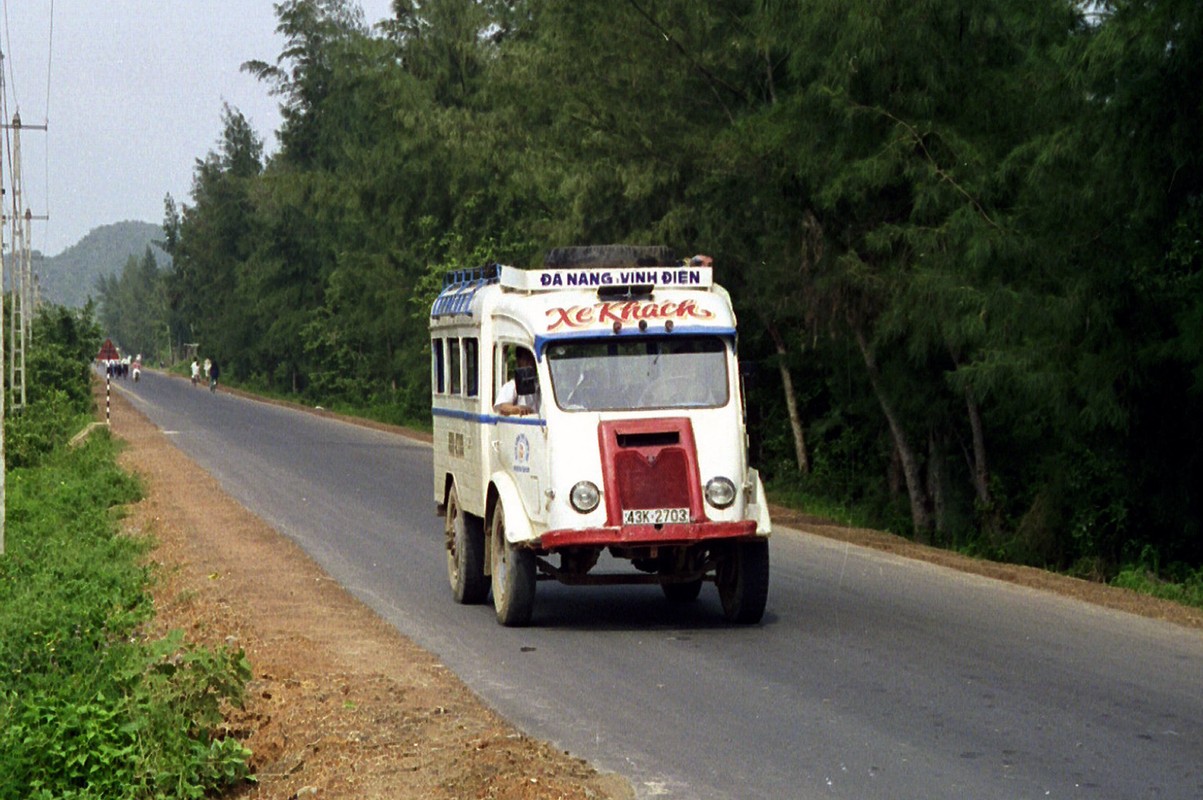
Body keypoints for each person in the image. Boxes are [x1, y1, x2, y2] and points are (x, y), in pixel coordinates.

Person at [494, 347, 540, 416]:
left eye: (532, 359)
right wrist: (518, 409)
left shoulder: (541, 384)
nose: (530, 363)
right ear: (519, 361)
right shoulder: (512, 385)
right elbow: (503, 407)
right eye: (526, 359)